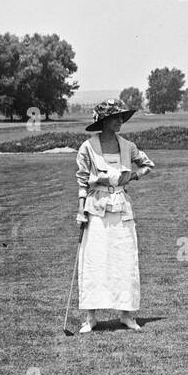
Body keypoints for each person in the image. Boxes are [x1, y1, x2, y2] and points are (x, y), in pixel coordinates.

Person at [73, 99, 155, 333]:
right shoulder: (87, 148)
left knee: (125, 259)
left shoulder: (128, 146)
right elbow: (82, 182)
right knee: (94, 260)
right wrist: (81, 210)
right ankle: (90, 317)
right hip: (96, 208)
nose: (120, 121)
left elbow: (148, 164)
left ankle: (127, 315)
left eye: (121, 117)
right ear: (104, 121)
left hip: (122, 208)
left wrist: (133, 177)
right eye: (116, 117)